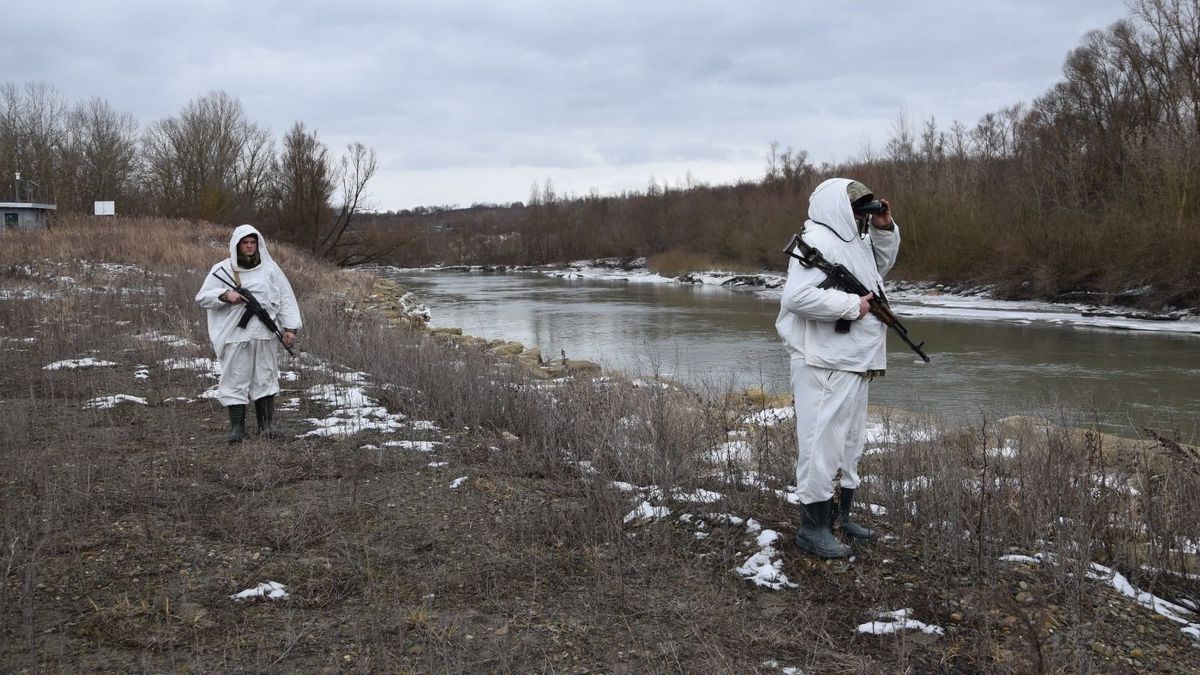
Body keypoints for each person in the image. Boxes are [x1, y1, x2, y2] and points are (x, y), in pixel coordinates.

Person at [776, 178, 900, 558]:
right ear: (835, 207)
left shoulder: (851, 241)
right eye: (857, 208)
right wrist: (851, 308)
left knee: (849, 443)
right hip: (823, 360)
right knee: (820, 443)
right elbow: (797, 297)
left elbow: (877, 268)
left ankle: (840, 517)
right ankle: (812, 529)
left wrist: (884, 230)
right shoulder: (818, 240)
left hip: (852, 358)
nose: (861, 214)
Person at [195, 225, 302, 443]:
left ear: (258, 243)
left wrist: (290, 328)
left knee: (265, 376)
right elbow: (202, 297)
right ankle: (237, 428)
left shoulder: (270, 269)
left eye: (253, 242)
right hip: (236, 334)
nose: (250, 246)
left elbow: (285, 298)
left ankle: (266, 426)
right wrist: (225, 295)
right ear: (237, 245)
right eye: (245, 243)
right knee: (235, 377)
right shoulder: (222, 269)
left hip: (265, 333)